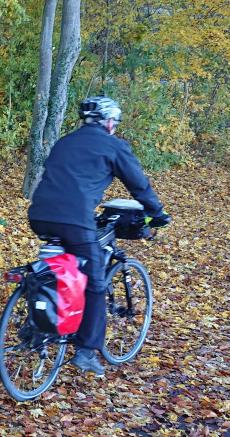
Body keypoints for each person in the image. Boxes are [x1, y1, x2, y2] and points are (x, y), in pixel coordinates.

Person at [27, 96, 171, 376]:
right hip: (74, 218)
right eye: (114, 121)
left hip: (39, 215)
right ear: (108, 122)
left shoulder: (65, 142)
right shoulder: (114, 146)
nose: (114, 126)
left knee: (58, 269)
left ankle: (38, 319)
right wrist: (157, 213)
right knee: (94, 282)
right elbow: (138, 185)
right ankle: (86, 351)